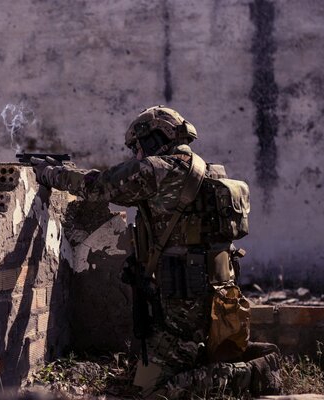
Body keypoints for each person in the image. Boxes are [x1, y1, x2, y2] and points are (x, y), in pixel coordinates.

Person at [31, 106, 281, 398]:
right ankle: (231, 366)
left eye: (137, 146)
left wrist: (51, 174)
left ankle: (254, 374)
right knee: (174, 360)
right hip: (219, 293)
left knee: (152, 392)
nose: (136, 154)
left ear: (152, 140)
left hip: (183, 302)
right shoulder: (210, 171)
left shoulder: (157, 171)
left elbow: (98, 187)